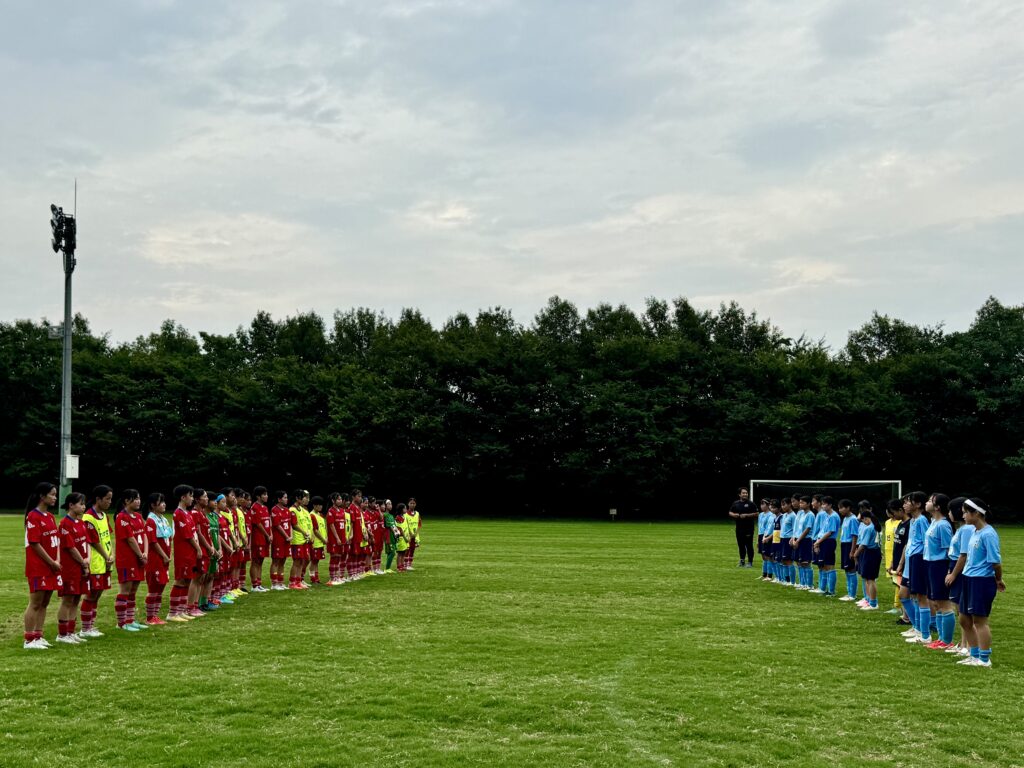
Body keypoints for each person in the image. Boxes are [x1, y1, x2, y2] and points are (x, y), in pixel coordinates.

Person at [957, 497, 1005, 667]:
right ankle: (974, 654)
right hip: (968, 579)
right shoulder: (975, 532)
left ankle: (984, 659)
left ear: (976, 513)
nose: (963, 515)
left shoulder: (989, 534)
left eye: (965, 512)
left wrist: (998, 579)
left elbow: (996, 563)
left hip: (981, 581)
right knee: (964, 619)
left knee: (979, 621)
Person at [24, 482, 61, 649]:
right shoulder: (33, 516)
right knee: (35, 602)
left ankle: (38, 635)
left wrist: (57, 560)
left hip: (52, 566)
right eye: (52, 494)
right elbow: (35, 544)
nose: (55, 497)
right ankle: (29, 639)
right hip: (39, 566)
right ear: (42, 496)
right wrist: (51, 562)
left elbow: (56, 541)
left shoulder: (50, 516)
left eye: (55, 494)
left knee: (45, 602)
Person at [80, 485, 114, 638]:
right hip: (95, 561)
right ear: (98, 499)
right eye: (107, 499)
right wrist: (106, 557)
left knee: (98, 594)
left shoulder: (104, 516)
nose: (110, 502)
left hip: (105, 561)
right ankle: (85, 628)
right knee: (91, 595)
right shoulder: (88, 517)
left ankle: (91, 625)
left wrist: (110, 555)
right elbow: (93, 541)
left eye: (110, 498)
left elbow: (107, 537)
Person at [114, 489, 150, 632]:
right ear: (126, 501)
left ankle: (130, 619)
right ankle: (122, 622)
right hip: (127, 559)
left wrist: (145, 553)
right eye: (135, 499)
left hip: (139, 558)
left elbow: (145, 535)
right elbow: (130, 539)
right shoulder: (121, 517)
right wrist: (141, 555)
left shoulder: (138, 516)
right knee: (125, 589)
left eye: (139, 498)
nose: (138, 501)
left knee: (133, 590)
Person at [57, 492, 90, 644]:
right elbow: (70, 547)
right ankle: (62, 634)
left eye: (84, 503)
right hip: (70, 568)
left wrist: (87, 559)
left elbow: (87, 543)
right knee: (67, 599)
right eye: (80, 503)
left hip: (82, 567)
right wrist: (83, 563)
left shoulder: (81, 522)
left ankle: (71, 631)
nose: (83, 506)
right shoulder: (65, 523)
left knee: (76, 599)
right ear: (71, 505)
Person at [899, 492, 931, 645]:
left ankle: (923, 631)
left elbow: (926, 542)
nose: (904, 505)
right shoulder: (912, 520)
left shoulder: (922, 520)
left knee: (918, 597)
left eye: (907, 502)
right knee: (904, 594)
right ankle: (916, 626)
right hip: (911, 560)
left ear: (917, 504)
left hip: (918, 560)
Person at [943, 497, 973, 657]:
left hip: (961, 570)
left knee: (963, 610)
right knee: (959, 609)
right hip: (954, 566)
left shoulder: (967, 529)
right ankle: (963, 643)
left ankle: (968, 646)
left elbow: (964, 555)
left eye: (950, 510)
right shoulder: (961, 529)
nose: (948, 514)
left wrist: (953, 573)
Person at [923, 493, 953, 649]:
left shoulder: (943, 525)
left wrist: (950, 570)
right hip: (930, 564)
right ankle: (941, 638)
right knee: (935, 603)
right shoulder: (933, 522)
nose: (926, 503)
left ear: (937, 506)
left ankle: (947, 641)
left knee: (943, 603)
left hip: (939, 565)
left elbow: (950, 549)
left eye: (930, 501)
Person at [168, 484, 202, 622]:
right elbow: (187, 536)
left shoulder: (187, 514)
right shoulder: (178, 514)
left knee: (187, 580)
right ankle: (172, 613)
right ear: (183, 497)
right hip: (183, 553)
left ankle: (181, 611)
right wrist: (199, 548)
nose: (192, 499)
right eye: (191, 495)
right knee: (180, 580)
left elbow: (193, 533)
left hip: (190, 553)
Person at [144, 492, 172, 626]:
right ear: (152, 505)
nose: (164, 504)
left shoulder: (164, 519)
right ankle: (150, 617)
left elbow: (168, 538)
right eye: (161, 502)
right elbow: (153, 542)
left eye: (164, 502)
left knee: (161, 586)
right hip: (155, 559)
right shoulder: (151, 520)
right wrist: (164, 556)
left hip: (164, 559)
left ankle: (155, 614)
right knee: (154, 588)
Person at [851, 501, 882, 610]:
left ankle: (873, 603)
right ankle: (869, 601)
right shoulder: (873, 526)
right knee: (867, 578)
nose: (863, 522)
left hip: (870, 553)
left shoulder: (870, 528)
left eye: (863, 520)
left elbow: (863, 545)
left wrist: (855, 554)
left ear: (867, 518)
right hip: (871, 553)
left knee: (870, 579)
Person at [887, 501, 911, 625]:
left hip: (905, 563)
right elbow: (897, 545)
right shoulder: (900, 524)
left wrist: (901, 564)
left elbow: (906, 546)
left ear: (901, 510)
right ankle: (905, 615)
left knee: (906, 592)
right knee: (899, 588)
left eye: (894, 512)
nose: (893, 515)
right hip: (897, 562)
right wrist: (892, 562)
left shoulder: (909, 525)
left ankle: (908, 618)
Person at [728, 488, 757, 568]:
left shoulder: (751, 504)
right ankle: (742, 560)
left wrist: (747, 515)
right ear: (739, 494)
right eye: (743, 493)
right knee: (741, 545)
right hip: (739, 528)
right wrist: (734, 515)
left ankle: (750, 562)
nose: (745, 494)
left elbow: (756, 513)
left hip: (748, 528)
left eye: (746, 493)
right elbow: (730, 512)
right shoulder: (735, 503)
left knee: (749, 545)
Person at [837, 499, 860, 601]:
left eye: (842, 507)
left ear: (848, 508)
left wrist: (852, 550)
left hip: (849, 545)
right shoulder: (845, 518)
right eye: (839, 508)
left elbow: (855, 535)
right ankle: (849, 592)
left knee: (851, 569)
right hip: (844, 544)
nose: (840, 510)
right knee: (847, 569)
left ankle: (852, 595)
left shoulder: (853, 519)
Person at [289, 489, 312, 589]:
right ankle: (292, 582)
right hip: (296, 539)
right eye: (303, 497)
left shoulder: (301, 510)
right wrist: (304, 532)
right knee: (296, 561)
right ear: (297, 498)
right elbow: (294, 525)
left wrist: (307, 534)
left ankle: (298, 581)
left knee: (302, 561)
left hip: (303, 539)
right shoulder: (292, 510)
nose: (304, 499)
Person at [270, 491, 292, 590]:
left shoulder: (287, 510)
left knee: (283, 560)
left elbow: (290, 524)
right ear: (279, 499)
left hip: (286, 540)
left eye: (286, 497)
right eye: (284, 497)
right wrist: (286, 536)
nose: (286, 499)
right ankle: (274, 584)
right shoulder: (274, 510)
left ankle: (280, 582)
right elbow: (277, 525)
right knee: (276, 560)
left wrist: (290, 536)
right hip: (278, 539)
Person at [309, 496, 327, 585]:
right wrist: (323, 539)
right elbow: (315, 531)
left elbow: (322, 528)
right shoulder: (312, 515)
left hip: (320, 542)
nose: (320, 506)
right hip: (315, 542)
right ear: (314, 505)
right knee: (314, 560)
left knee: (317, 560)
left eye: (321, 505)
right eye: (318, 505)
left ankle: (316, 577)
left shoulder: (320, 515)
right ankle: (312, 578)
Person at [756, 498, 773, 581]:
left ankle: (769, 575)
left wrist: (766, 537)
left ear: (768, 505)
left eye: (764, 504)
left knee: (767, 555)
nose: (762, 506)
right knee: (763, 556)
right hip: (760, 535)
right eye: (761, 504)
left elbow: (769, 527)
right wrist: (757, 540)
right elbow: (759, 527)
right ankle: (764, 574)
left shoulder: (771, 515)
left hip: (766, 535)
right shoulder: (761, 515)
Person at [406, 498, 422, 570]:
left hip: (415, 535)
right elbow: (405, 524)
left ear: (415, 504)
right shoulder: (405, 513)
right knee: (407, 549)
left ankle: (409, 564)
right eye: (411, 503)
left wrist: (416, 533)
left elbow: (419, 524)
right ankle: (405, 564)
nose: (412, 505)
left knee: (412, 549)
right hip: (408, 535)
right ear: (408, 504)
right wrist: (410, 533)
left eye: (413, 503)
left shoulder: (417, 513)